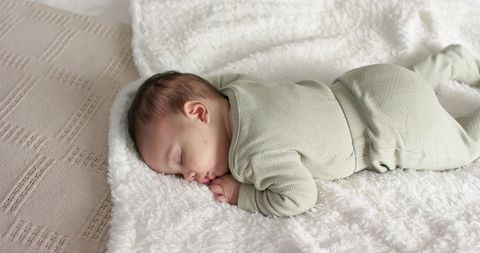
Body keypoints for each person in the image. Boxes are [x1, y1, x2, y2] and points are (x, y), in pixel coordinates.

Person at [127, 44, 480, 217]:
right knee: (413, 83)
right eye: (175, 173)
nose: (187, 176)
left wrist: (241, 195)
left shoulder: (252, 156)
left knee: (465, 146)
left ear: (200, 112)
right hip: (370, 81)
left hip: (388, 129)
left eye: (180, 158)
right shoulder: (236, 89)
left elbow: (298, 197)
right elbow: (204, 85)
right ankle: (453, 61)